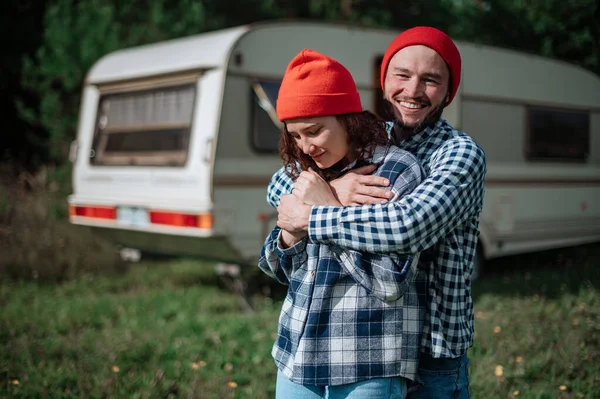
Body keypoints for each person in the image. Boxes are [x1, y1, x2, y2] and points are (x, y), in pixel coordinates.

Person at [270, 27, 487, 399]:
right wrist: (334, 189)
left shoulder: (458, 154)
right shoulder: (368, 140)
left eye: (430, 79)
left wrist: (317, 211)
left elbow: (407, 226)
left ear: (449, 90)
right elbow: (279, 184)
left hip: (432, 350)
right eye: (402, 75)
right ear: (383, 80)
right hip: (365, 338)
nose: (413, 90)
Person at [259, 48, 426, 399]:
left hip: (366, 360)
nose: (306, 148)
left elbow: (390, 281)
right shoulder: (300, 174)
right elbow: (279, 271)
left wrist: (327, 208)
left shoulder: (395, 171)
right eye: (295, 136)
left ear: (348, 119)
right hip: (296, 357)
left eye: (315, 131)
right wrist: (290, 232)